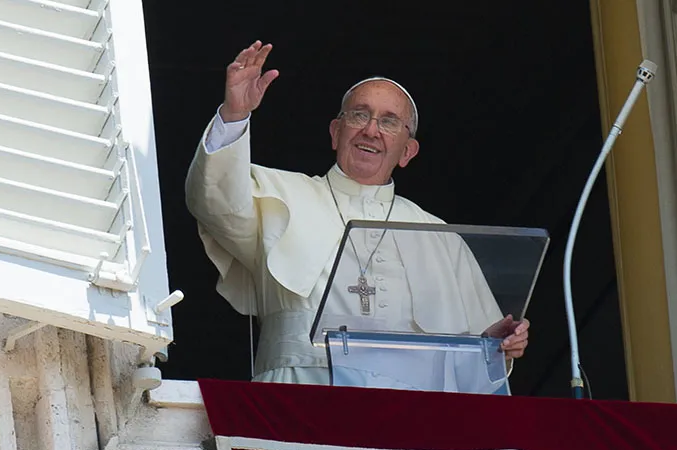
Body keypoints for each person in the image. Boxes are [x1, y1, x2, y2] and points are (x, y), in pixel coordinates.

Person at [185, 40, 531, 392]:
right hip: (298, 394)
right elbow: (213, 200)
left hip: (407, 411)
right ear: (336, 133)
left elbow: (476, 360)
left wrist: (496, 346)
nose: (371, 130)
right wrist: (235, 115)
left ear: (407, 152)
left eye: (389, 121)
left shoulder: (441, 238)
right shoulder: (277, 192)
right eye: (360, 115)